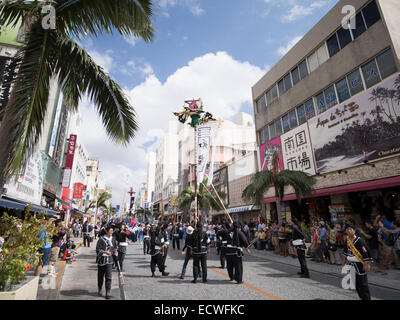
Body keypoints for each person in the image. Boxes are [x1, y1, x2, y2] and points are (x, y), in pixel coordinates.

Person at [342, 224, 372, 300]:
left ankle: (366, 298)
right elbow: (346, 251)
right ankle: (361, 297)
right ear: (346, 231)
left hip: (359, 263)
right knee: (356, 283)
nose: (349, 230)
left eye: (350, 229)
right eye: (347, 229)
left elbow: (365, 252)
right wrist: (344, 261)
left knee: (363, 283)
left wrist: (366, 264)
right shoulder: (347, 240)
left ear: (354, 231)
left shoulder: (359, 240)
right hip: (351, 264)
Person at [96, 226, 116, 299]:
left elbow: (114, 248)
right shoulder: (101, 239)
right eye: (110, 231)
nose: (111, 232)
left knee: (108, 276)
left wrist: (115, 252)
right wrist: (104, 252)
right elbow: (97, 249)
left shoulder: (113, 239)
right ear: (107, 231)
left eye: (112, 231)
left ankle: (108, 292)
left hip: (110, 260)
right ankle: (100, 289)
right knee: (100, 276)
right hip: (101, 260)